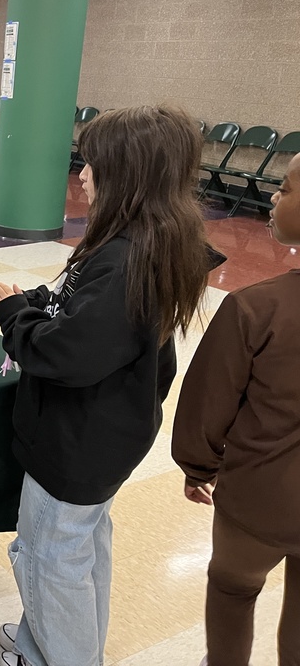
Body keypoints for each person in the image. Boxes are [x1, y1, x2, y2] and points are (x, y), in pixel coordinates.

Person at [0, 106, 209, 666]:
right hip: (104, 438)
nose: (82, 174)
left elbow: (64, 352)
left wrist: (15, 320)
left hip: (75, 445)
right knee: (79, 552)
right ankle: (43, 645)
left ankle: (69, 656)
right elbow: (75, 311)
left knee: (49, 560)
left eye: (94, 165)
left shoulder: (129, 262)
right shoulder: (139, 244)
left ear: (127, 177)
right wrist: (21, 303)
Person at [171, 151, 300, 666]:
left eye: (286, 188)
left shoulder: (256, 307)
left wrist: (197, 466)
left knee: (233, 588)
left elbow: (208, 403)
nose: (273, 195)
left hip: (258, 496)